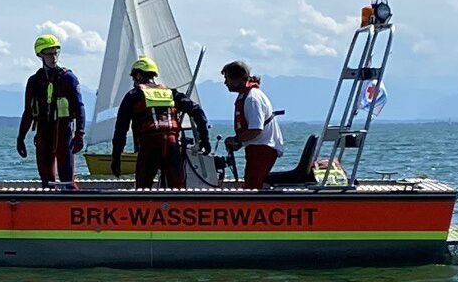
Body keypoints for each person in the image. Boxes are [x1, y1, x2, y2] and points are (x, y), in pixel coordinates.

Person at [110, 55, 210, 188]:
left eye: (134, 78)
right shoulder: (170, 93)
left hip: (149, 146)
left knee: (143, 189)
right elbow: (197, 111)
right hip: (172, 145)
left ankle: (145, 208)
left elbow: (121, 128)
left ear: (139, 76)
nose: (134, 81)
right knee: (177, 189)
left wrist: (116, 158)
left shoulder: (133, 96)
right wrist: (205, 139)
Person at [16, 34, 86, 187]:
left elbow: (79, 107)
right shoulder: (34, 81)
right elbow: (28, 112)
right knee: (46, 179)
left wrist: (80, 134)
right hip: (43, 132)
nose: (53, 57)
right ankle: (48, 203)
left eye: (55, 52)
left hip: (64, 131)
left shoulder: (68, 78)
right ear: (40, 55)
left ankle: (69, 201)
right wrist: (21, 138)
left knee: (66, 176)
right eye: (49, 53)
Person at [221, 60, 284, 189]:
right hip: (258, 147)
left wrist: (236, 139)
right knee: (252, 183)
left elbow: (256, 130)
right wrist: (240, 143)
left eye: (227, 78)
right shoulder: (248, 95)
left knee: (252, 187)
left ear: (238, 79)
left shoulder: (252, 98)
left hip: (263, 148)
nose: (225, 83)